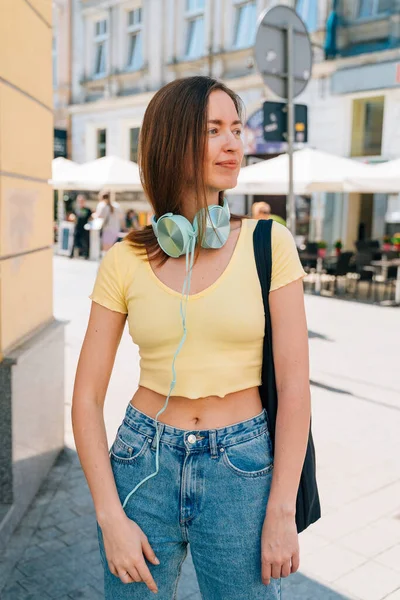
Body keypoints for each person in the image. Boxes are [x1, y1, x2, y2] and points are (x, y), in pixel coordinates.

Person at [72, 76, 311, 599]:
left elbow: (294, 387)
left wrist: (280, 510)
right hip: (142, 463)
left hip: (241, 468)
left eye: (235, 129)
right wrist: (110, 517)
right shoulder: (123, 261)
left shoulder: (269, 243)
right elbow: (87, 398)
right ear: (172, 141)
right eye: (212, 130)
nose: (233, 144)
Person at [70, 194, 92, 259]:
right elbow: (72, 216)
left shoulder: (88, 210)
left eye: (82, 200)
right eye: (79, 200)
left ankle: (86, 255)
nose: (80, 202)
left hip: (85, 228)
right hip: (77, 228)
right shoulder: (76, 209)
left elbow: (90, 217)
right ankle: (72, 255)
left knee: (85, 242)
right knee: (74, 241)